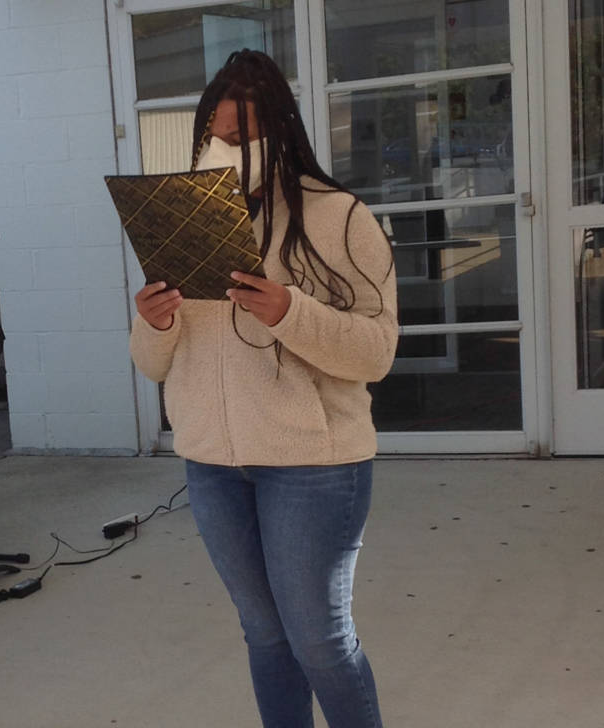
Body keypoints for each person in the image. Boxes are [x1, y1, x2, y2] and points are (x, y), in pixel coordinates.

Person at [130, 50, 397, 728]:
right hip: (213, 466)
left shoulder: (338, 216)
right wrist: (154, 323)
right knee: (266, 634)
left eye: (243, 136)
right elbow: (155, 363)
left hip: (313, 466)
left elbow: (376, 352)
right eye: (216, 135)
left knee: (319, 640)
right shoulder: (183, 218)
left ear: (281, 129)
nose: (227, 147)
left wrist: (290, 313)